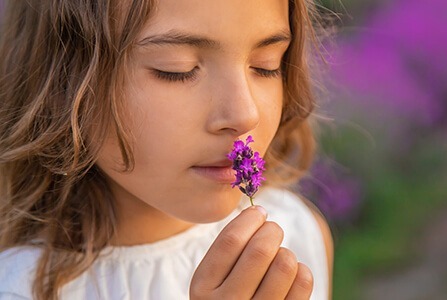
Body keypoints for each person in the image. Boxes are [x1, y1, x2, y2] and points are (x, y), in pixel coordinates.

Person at [0, 0, 334, 299]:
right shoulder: (20, 288)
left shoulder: (296, 233)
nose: (245, 114)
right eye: (177, 69)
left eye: (266, 64)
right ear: (63, 82)